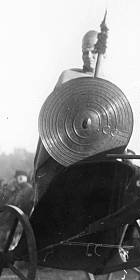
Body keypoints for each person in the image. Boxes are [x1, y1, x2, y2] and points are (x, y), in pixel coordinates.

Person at [33, 30, 103, 203]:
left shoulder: (105, 85)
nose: (88, 56)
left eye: (93, 52)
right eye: (84, 52)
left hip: (89, 148)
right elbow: (53, 111)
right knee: (47, 183)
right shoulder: (68, 76)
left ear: (101, 54)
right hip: (60, 141)